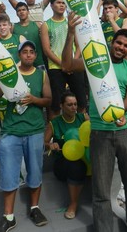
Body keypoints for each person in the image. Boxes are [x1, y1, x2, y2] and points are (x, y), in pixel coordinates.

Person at [61, 12, 127, 232]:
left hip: (125, 131)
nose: (121, 47)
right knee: (100, 192)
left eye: (126, 45)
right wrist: (71, 33)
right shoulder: (94, 63)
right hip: (99, 132)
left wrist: (119, 113)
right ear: (112, 42)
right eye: (118, 42)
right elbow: (66, 64)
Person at [0, 40, 51, 231]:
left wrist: (34, 99)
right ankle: (8, 216)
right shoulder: (9, 74)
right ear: (19, 55)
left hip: (34, 131)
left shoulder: (41, 75)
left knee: (35, 172)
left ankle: (34, 208)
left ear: (35, 55)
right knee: (8, 174)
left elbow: (48, 100)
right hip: (11, 131)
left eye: (32, 52)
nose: (29, 54)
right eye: (25, 52)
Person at [44, 90, 89, 219]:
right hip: (62, 162)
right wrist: (51, 145)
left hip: (84, 158)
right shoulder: (55, 122)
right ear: (61, 106)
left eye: (75, 104)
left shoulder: (83, 118)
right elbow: (45, 142)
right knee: (77, 166)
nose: (74, 107)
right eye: (69, 105)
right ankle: (73, 204)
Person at [40, 0, 86, 119]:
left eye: (63, 3)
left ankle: (82, 128)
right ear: (51, 5)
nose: (61, 5)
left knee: (81, 102)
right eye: (58, 2)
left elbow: (79, 45)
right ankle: (55, 134)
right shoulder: (46, 25)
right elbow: (47, 50)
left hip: (74, 66)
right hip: (56, 67)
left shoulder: (71, 22)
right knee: (55, 105)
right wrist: (63, 64)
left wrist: (72, 63)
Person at [12, 2, 45, 68]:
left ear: (28, 12)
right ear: (16, 14)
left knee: (43, 78)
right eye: (19, 10)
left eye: (23, 10)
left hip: (39, 62)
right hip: (22, 64)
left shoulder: (37, 24)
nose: (21, 12)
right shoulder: (13, 27)